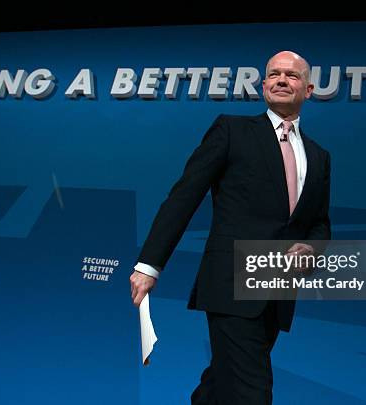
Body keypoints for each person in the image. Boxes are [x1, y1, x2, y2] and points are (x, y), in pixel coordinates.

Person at [129, 50, 331, 404]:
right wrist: (149, 264)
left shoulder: (318, 156)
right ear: (263, 84)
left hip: (277, 292)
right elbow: (184, 197)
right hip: (230, 282)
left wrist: (312, 248)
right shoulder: (232, 130)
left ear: (309, 89)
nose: (282, 80)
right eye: (274, 74)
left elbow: (319, 223)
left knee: (222, 383)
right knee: (252, 391)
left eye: (292, 75)